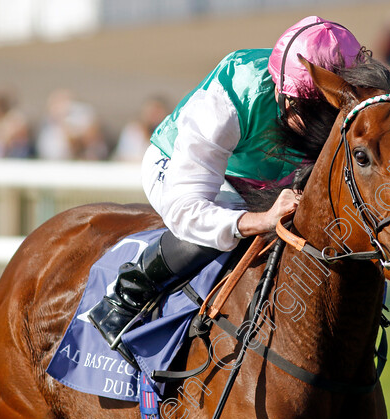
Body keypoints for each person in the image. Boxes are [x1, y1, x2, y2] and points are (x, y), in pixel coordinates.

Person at [87, 16, 365, 364]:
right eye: (309, 111)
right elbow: (186, 209)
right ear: (281, 91)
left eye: (331, 111)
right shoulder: (233, 92)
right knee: (223, 233)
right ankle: (128, 292)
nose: (319, 125)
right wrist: (263, 219)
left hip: (268, 178)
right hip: (183, 167)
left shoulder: (352, 99)